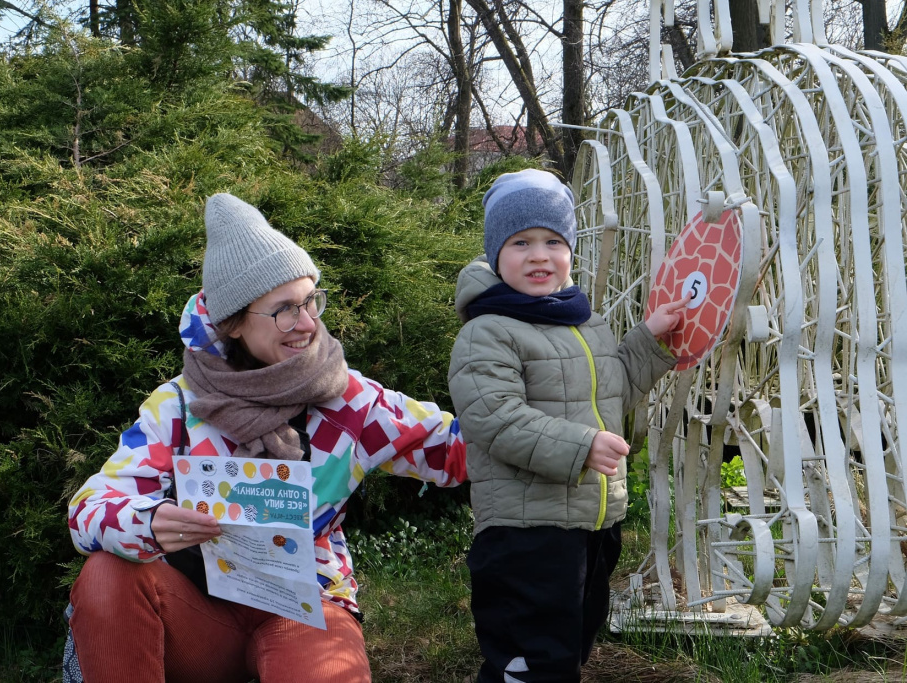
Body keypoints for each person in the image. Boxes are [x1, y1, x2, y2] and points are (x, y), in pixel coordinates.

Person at [67, 192, 467, 683]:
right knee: (107, 575)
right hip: (201, 609)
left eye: (310, 300)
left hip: (306, 606)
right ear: (233, 323)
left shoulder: (350, 400)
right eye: (283, 310)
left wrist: (552, 427)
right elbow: (88, 507)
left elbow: (454, 450)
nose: (307, 323)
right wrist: (146, 521)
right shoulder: (180, 404)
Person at [447, 168, 689, 683]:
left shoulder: (581, 321)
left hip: (591, 521)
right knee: (534, 659)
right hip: (526, 531)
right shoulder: (487, 332)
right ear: (495, 253)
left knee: (571, 645)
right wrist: (581, 446)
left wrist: (649, 339)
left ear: (570, 250)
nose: (539, 255)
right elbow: (495, 417)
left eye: (553, 241)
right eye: (521, 242)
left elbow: (613, 386)